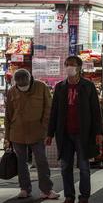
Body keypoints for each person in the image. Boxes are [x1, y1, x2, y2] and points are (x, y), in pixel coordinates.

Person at [47, 56, 102, 203]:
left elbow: (96, 111)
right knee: (65, 167)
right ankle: (69, 195)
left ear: (79, 67)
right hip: (64, 133)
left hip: (83, 133)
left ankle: (84, 196)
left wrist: (98, 132)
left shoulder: (88, 86)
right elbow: (54, 112)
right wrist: (49, 133)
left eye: (72, 65)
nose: (69, 67)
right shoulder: (60, 87)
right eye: (67, 64)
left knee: (84, 167)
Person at [5, 69, 59, 200]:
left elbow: (48, 108)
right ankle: (24, 189)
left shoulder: (41, 87)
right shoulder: (12, 91)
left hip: (37, 132)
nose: (22, 88)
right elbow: (8, 115)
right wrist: (7, 137)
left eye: (25, 85)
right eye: (20, 86)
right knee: (21, 162)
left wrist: (45, 129)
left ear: (30, 79)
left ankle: (46, 190)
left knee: (41, 161)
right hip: (17, 133)